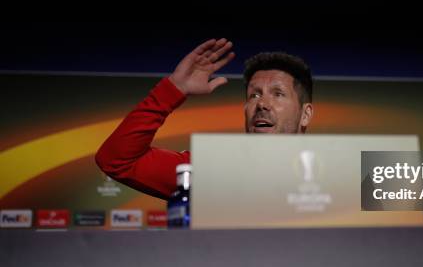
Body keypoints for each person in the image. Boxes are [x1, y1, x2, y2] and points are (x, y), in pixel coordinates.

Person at [95, 38, 314, 200]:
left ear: (305, 114)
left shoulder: (336, 175)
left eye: (278, 94)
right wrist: (173, 90)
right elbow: (117, 160)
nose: (262, 104)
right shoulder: (211, 171)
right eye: (254, 95)